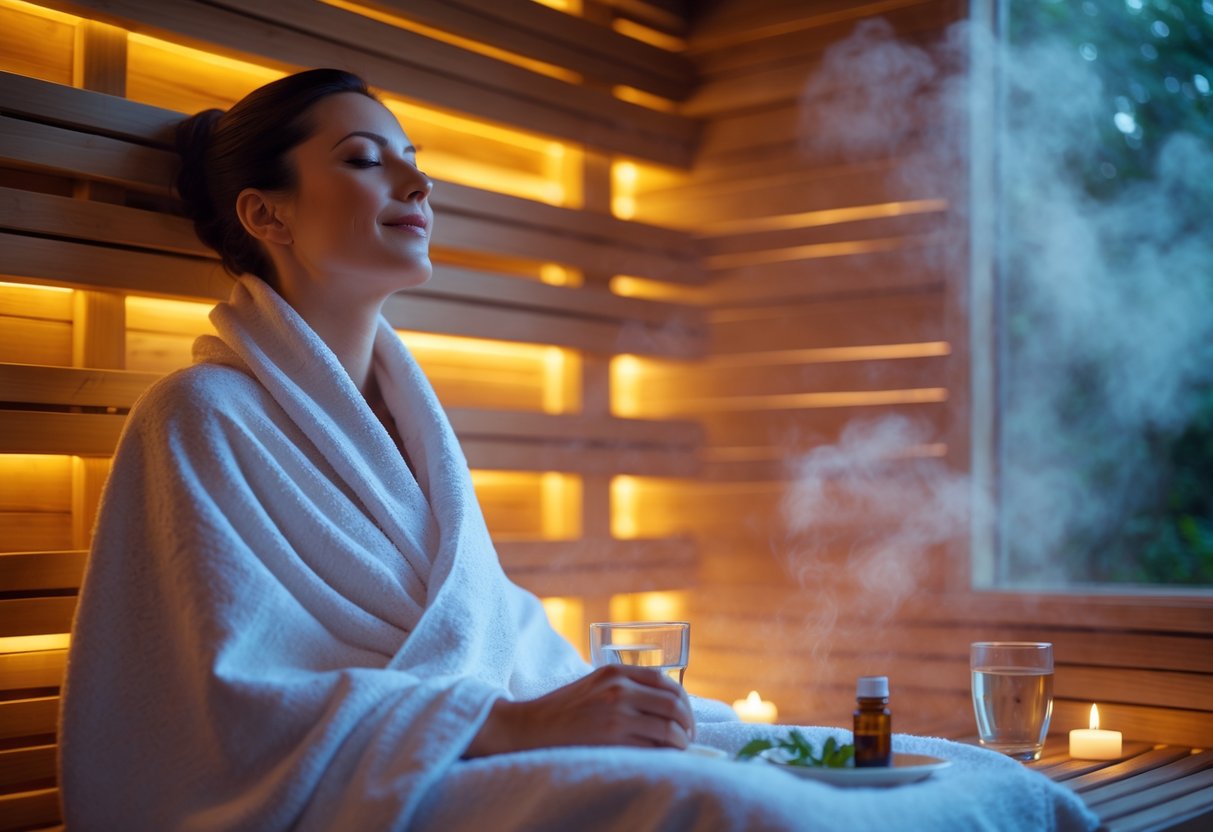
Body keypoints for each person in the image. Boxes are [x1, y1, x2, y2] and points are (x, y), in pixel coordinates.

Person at [58, 68, 1099, 832]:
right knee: (736, 810)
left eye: (413, 160)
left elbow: (480, 626)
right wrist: (507, 725)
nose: (416, 183)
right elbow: (211, 720)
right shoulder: (197, 418)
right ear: (264, 213)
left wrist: (588, 704)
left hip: (450, 748)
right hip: (361, 788)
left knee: (945, 774)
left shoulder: (406, 423)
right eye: (364, 160)